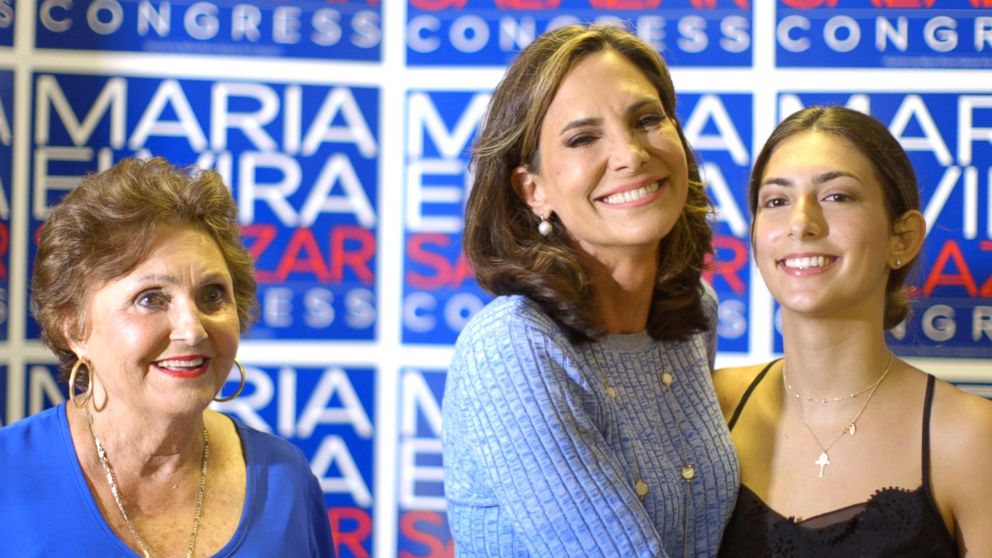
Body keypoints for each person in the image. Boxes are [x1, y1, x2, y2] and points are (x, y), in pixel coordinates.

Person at [442, 24, 739, 557]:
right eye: (583, 138)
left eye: (647, 120)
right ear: (533, 189)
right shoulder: (512, 346)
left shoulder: (693, 315)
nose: (630, 154)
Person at [0, 157, 336, 557]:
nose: (192, 329)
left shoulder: (285, 478)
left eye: (212, 295)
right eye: (150, 299)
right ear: (75, 328)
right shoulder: (8, 476)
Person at [714, 106, 992, 557]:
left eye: (837, 196)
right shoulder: (710, 408)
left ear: (902, 238)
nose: (801, 223)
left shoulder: (971, 437)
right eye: (776, 201)